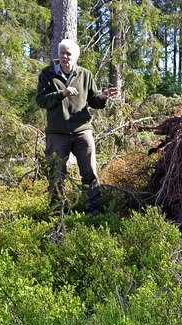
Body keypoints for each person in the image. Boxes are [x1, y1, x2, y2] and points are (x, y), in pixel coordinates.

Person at [36, 39, 118, 216]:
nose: (64, 57)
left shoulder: (85, 75)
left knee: (89, 173)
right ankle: (57, 215)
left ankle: (93, 212)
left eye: (68, 53)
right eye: (62, 53)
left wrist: (102, 97)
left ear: (76, 57)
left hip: (82, 131)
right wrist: (61, 94)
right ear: (58, 54)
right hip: (57, 133)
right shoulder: (47, 74)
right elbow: (41, 101)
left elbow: (93, 100)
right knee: (56, 175)